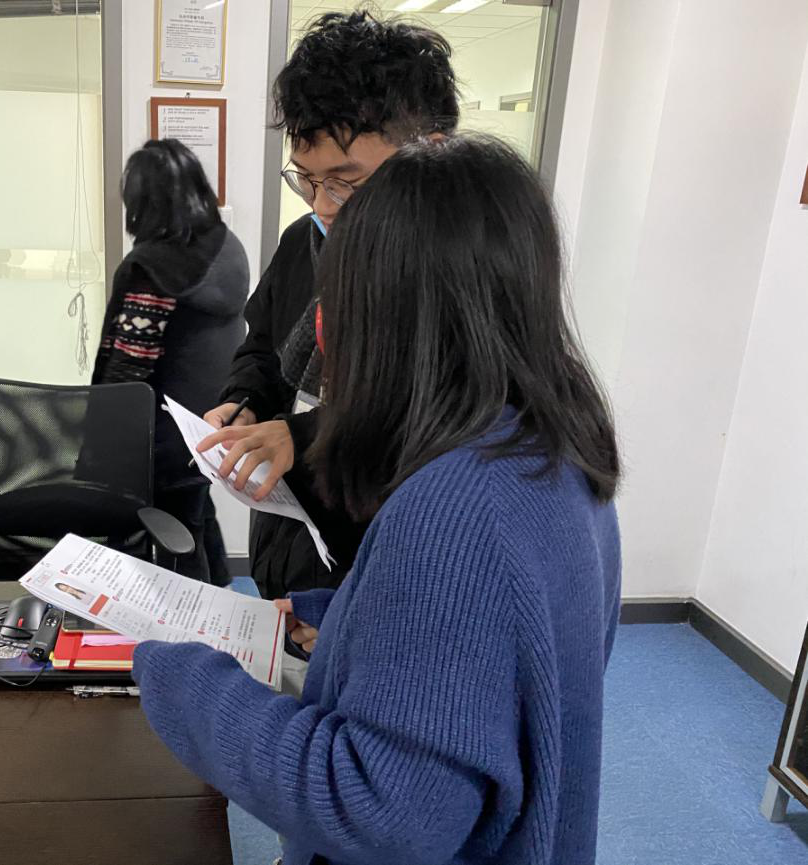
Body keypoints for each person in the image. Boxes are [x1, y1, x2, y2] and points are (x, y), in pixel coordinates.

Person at [132, 135, 623, 865]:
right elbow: (500, 661)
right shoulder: (554, 444)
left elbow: (378, 809)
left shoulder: (456, 508)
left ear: (381, 317)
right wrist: (350, 617)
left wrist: (181, 676)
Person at [196, 11, 460, 599]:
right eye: (306, 180)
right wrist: (246, 402)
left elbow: (443, 419)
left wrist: (306, 434)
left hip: (385, 568)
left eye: (347, 182)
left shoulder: (461, 277)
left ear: (432, 154)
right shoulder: (306, 242)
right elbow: (263, 346)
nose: (324, 205)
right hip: (295, 534)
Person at [92, 139, 248, 585]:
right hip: (209, 425)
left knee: (176, 538)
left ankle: (196, 621)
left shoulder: (155, 269)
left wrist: (97, 445)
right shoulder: (226, 247)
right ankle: (223, 597)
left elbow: (127, 370)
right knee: (195, 516)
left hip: (160, 437)